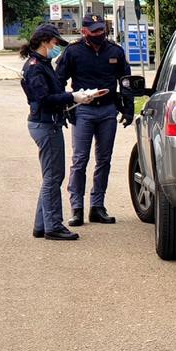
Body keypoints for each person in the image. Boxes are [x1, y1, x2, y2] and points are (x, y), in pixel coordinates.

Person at [19, 24, 103, 241]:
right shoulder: (36, 67)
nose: (57, 47)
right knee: (53, 177)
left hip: (49, 123)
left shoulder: (42, 64)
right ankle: (53, 226)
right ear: (45, 41)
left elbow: (54, 93)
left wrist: (79, 96)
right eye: (55, 43)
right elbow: (44, 99)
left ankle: (42, 224)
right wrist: (72, 97)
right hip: (45, 125)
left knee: (51, 176)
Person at [55, 14, 132, 226]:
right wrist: (64, 106)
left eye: (102, 30)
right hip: (83, 111)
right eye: (95, 31)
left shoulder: (115, 51)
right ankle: (77, 208)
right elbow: (59, 80)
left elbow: (125, 82)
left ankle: (97, 206)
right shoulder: (73, 51)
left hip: (108, 111)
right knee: (80, 160)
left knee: (104, 160)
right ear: (84, 31)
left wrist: (128, 109)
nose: (100, 34)